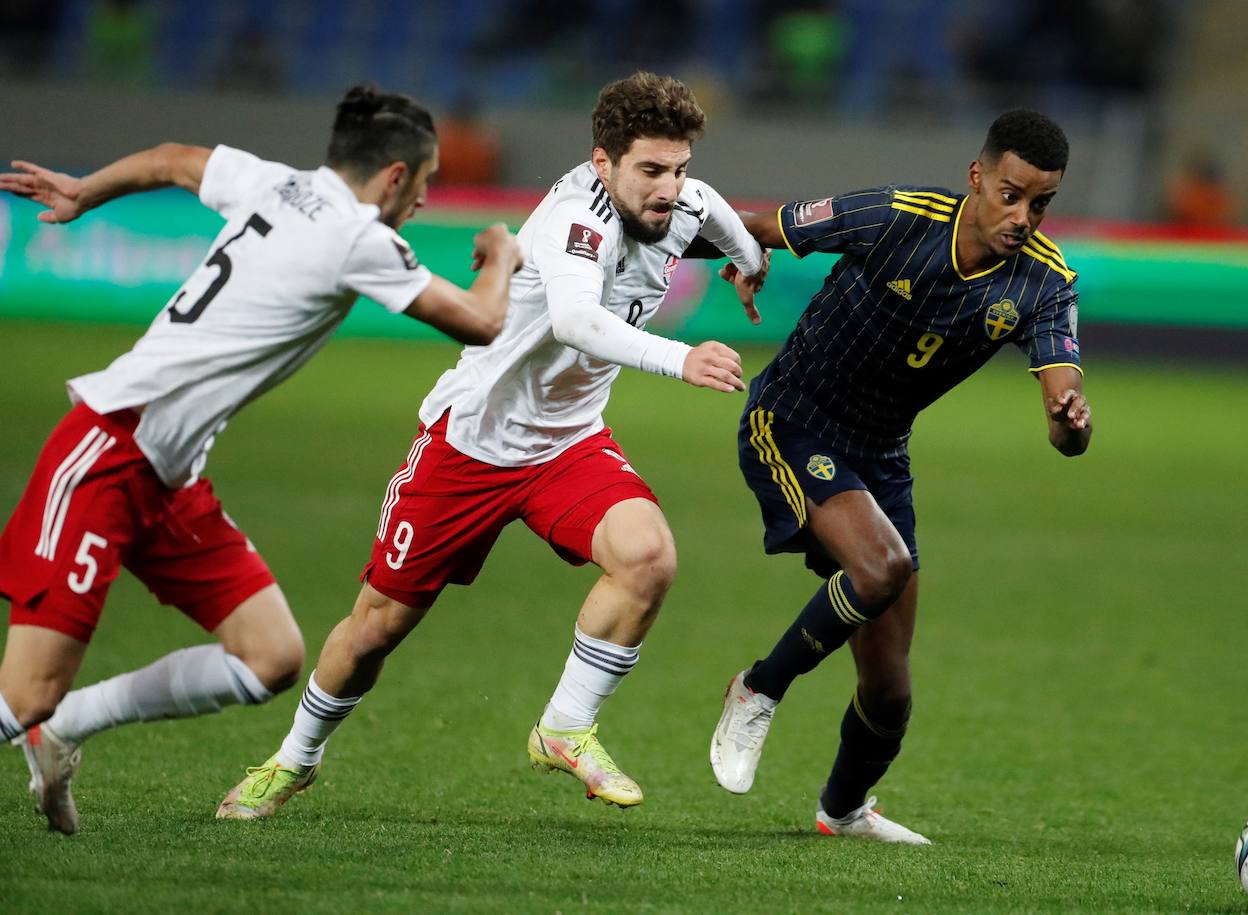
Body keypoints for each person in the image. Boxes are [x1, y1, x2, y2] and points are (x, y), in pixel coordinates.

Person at [217, 71, 767, 819]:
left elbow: (716, 212)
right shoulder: (580, 219)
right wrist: (681, 357)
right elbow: (576, 320)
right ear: (603, 163)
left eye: (678, 167)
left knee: (648, 557)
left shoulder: (680, 197)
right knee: (375, 629)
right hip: (470, 444)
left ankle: (565, 726)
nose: (670, 187)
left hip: (566, 445)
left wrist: (748, 260)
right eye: (651, 170)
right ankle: (294, 758)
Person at [0, 85, 521, 835]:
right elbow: (482, 320)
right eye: (428, 182)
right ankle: (45, 717)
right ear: (396, 176)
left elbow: (176, 160)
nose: (426, 201)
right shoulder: (357, 238)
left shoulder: (278, 182)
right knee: (23, 695)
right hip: (109, 450)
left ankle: (69, 724)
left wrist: (86, 190)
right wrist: (502, 252)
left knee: (270, 657)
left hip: (169, 476)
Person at [708, 109, 1092, 843]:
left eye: (1041, 203)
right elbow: (754, 227)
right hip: (792, 418)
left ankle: (843, 810)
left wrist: (1071, 421)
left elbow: (1065, 410)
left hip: (881, 457)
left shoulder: (1044, 283)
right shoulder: (895, 216)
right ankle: (759, 686)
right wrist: (649, 250)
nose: (1024, 217)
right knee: (884, 566)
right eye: (1011, 194)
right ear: (977, 177)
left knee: (888, 691)